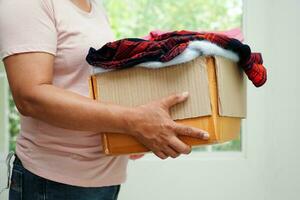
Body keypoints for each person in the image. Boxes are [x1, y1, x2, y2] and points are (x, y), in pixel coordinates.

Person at [0, 0, 209, 199]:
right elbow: (30, 97)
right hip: (53, 183)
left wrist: (134, 132)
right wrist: (133, 121)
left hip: (104, 179)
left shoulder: (94, 6)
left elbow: (85, 84)